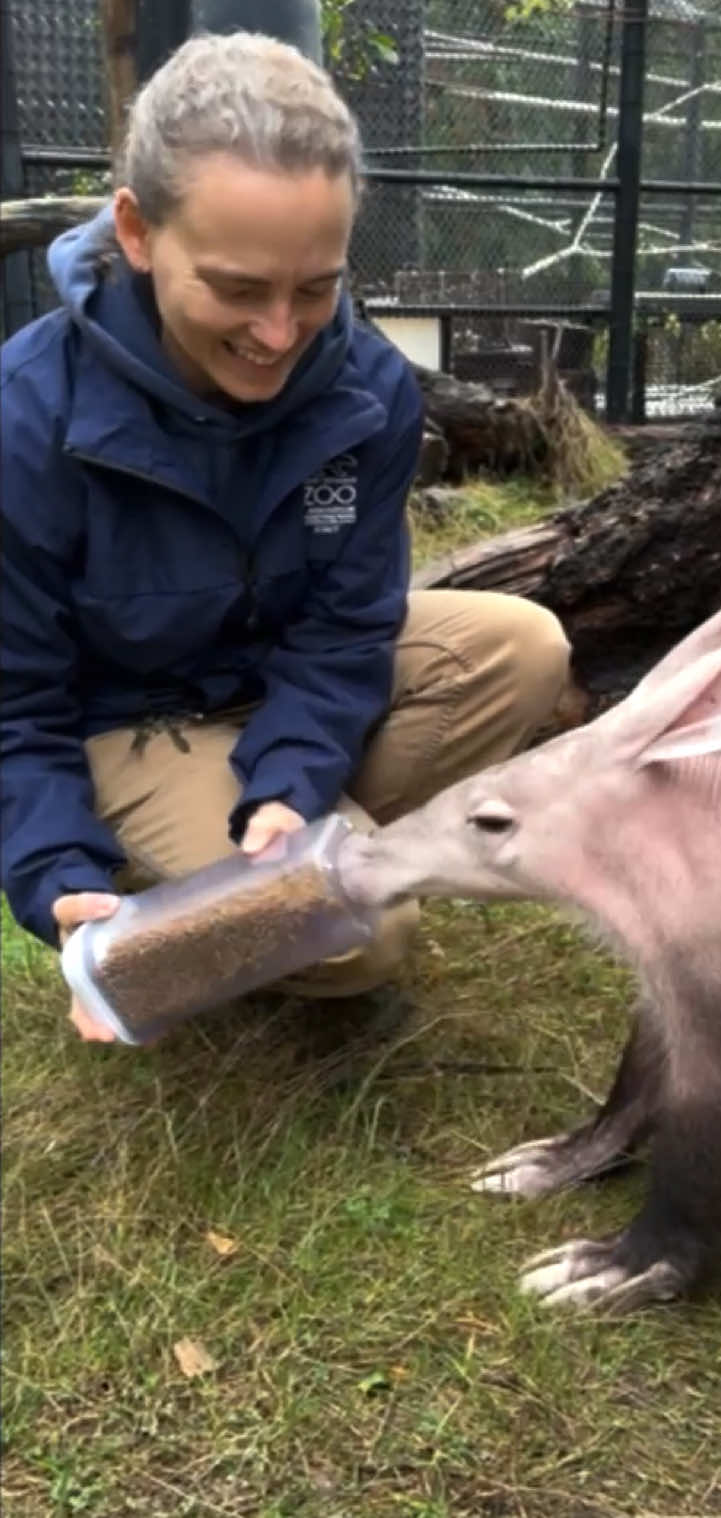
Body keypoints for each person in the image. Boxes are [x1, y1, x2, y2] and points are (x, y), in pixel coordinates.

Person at [0, 31, 570, 1042]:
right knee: (364, 934)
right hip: (128, 720)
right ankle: (156, 902)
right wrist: (58, 875)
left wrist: (288, 782)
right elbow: (16, 704)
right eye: (236, 287)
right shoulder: (26, 419)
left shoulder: (369, 393)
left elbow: (349, 630)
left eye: (316, 288)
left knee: (524, 647)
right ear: (136, 232)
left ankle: (269, 841)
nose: (278, 333)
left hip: (264, 681)